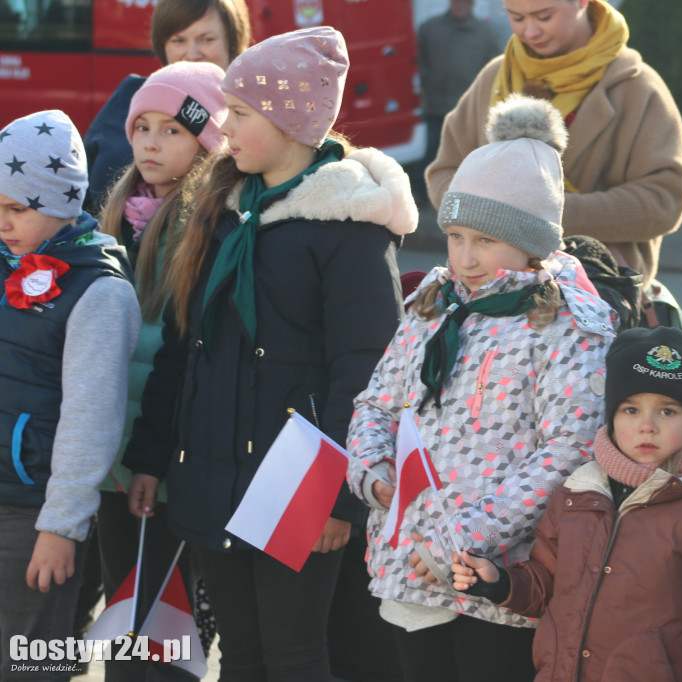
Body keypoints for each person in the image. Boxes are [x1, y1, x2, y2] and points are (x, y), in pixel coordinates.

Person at [122, 27, 416, 680]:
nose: (225, 127)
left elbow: (367, 374)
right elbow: (185, 345)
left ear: (291, 121)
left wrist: (338, 500)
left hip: (297, 489)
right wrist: (152, 458)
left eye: (243, 114)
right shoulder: (221, 213)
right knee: (241, 653)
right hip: (211, 479)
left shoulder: (350, 231)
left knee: (293, 656)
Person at [348, 94, 615, 682]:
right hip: (411, 556)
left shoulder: (566, 323)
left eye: (486, 241)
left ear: (531, 242)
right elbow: (378, 402)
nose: (465, 258)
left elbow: (568, 449)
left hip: (495, 569)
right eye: (456, 236)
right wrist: (371, 471)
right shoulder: (435, 303)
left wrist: (464, 535)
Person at [450, 326, 682, 682]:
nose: (646, 426)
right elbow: (549, 584)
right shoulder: (579, 492)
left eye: (667, 411)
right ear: (612, 419)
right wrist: (501, 584)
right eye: (630, 409)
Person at [94, 60, 228, 681]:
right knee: (122, 614)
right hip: (114, 459)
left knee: (164, 632)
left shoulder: (202, 225)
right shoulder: (118, 214)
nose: (149, 141)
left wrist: (149, 458)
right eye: (141, 127)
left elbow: (176, 354)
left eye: (171, 129)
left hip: (162, 463)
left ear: (206, 142)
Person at [0, 110, 140, 679]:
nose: (3, 222)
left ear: (62, 203)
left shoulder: (100, 292)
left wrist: (61, 529)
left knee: (30, 664)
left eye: (17, 208)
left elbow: (91, 420)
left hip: (32, 516)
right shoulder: (8, 263)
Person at [425, 0, 682, 293]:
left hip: (599, 296)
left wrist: (545, 215)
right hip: (484, 298)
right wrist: (479, 220)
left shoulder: (637, 86)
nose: (530, 30)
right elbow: (443, 172)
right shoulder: (494, 76)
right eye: (516, 17)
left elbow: (666, 199)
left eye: (544, 16)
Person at [83, 0, 251, 213]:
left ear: (233, 42)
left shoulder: (254, 112)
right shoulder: (130, 95)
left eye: (207, 39)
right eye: (178, 40)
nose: (192, 54)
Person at [414, 0, 502, 199]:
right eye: (457, 1)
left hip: (466, 111)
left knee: (465, 157)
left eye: (466, 2)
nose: (461, 5)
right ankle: (422, 195)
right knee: (432, 152)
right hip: (435, 107)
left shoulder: (485, 33)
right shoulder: (430, 28)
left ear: (472, 5)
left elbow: (493, 73)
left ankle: (460, 197)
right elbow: (420, 62)